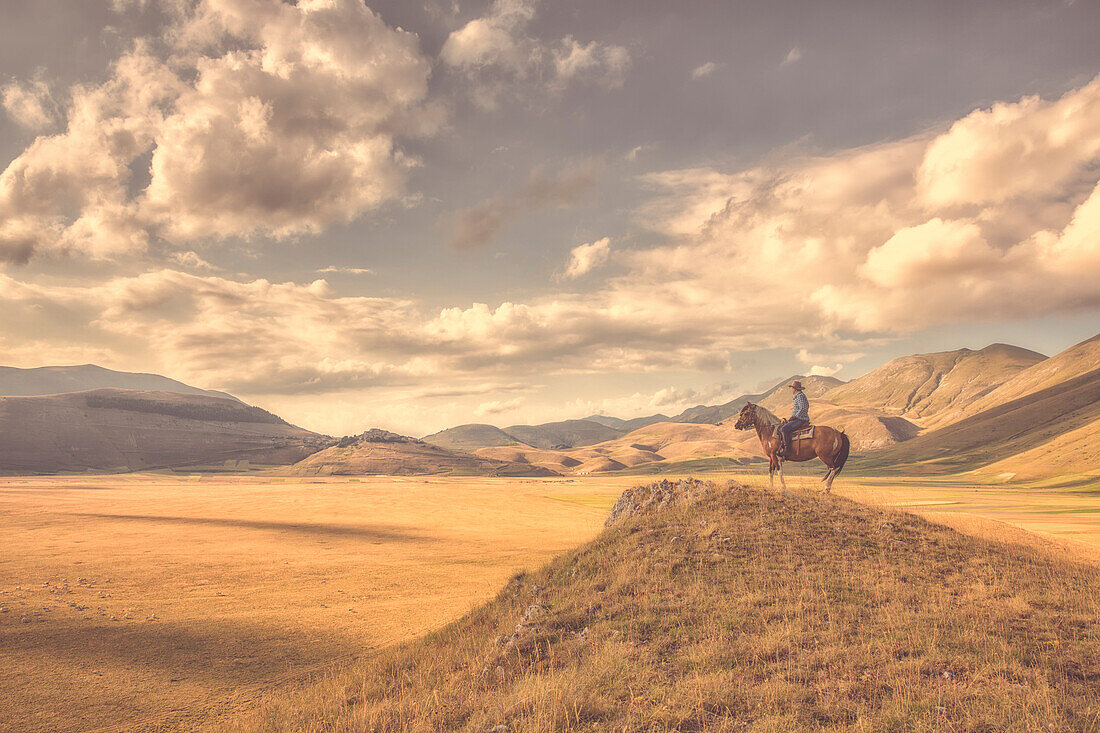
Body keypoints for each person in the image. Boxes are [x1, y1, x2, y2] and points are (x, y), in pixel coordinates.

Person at [776, 380, 809, 458]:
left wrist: (796, 416)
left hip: (800, 419)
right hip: (798, 418)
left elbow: (803, 408)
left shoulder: (800, 396)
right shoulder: (798, 396)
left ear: (795, 389)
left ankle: (787, 450)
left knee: (784, 429)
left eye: (792, 388)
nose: (792, 390)